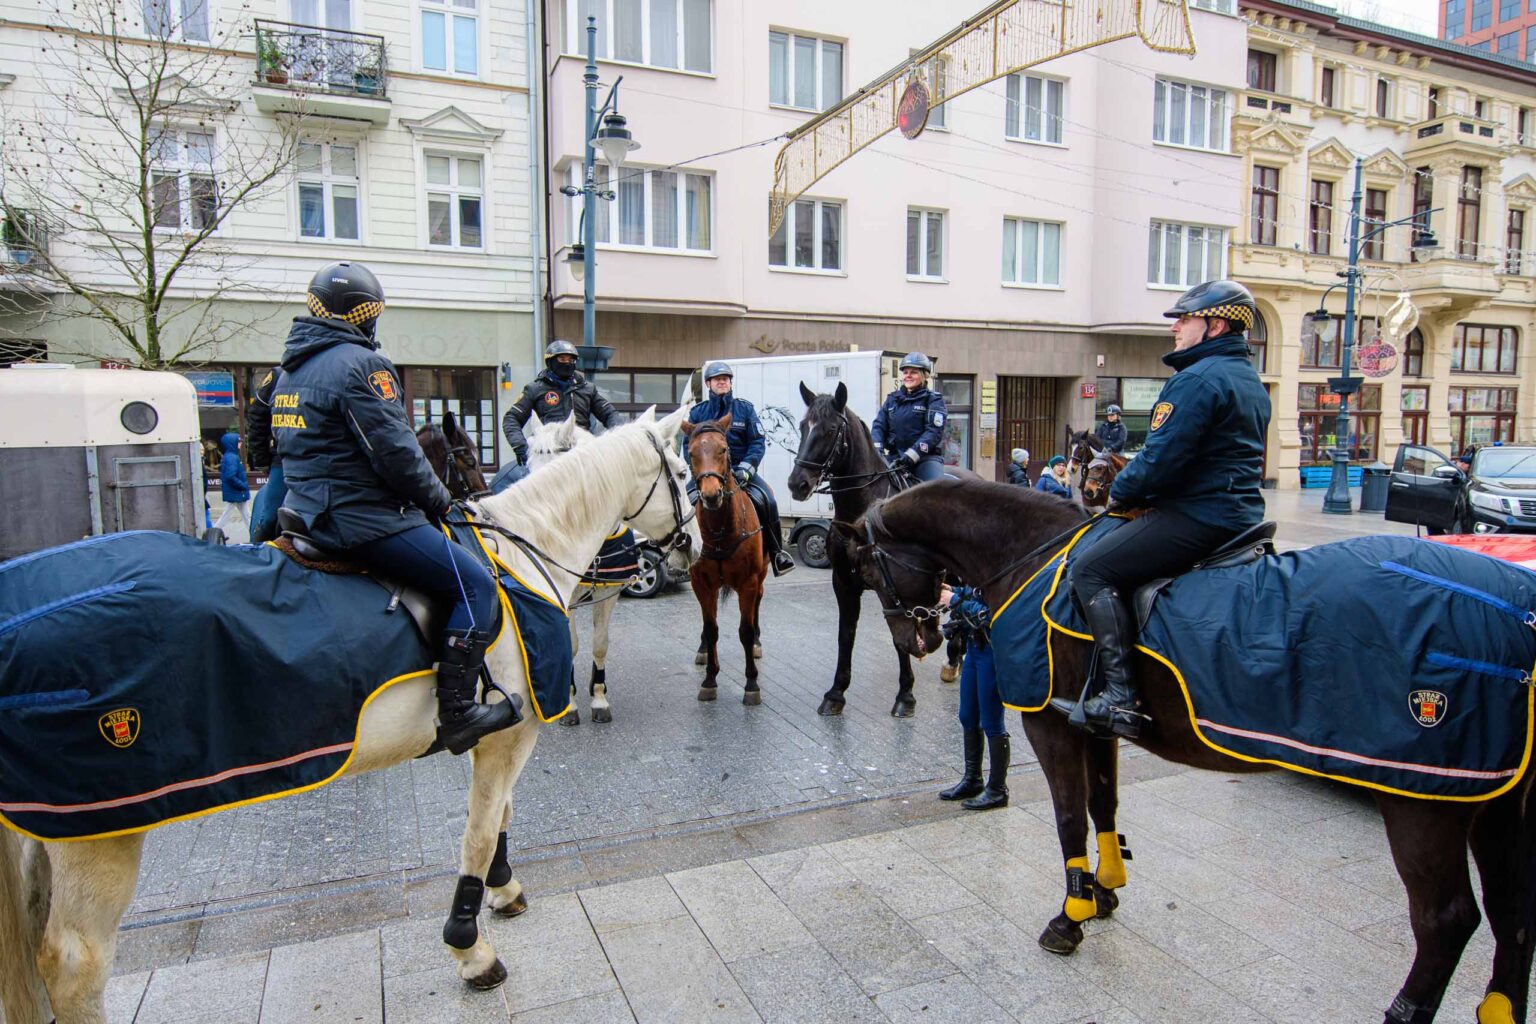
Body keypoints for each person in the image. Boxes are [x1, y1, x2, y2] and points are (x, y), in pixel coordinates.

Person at [272, 261, 517, 756]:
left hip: (302, 512)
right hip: (360, 520)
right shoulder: (362, 366)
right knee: (476, 586)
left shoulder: (288, 371)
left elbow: (266, 450)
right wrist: (441, 501)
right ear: (365, 316)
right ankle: (459, 714)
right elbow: (399, 456)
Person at [1054, 280, 1270, 739]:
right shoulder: (1246, 377)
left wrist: (1121, 489)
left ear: (1214, 326)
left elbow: (1158, 465)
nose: (1175, 329)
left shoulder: (1196, 379)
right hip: (1237, 513)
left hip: (1198, 516)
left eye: (1184, 319)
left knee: (1090, 569)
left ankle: (1120, 698)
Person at [687, 361, 796, 577]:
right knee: (683, 505)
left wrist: (746, 468)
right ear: (708, 384)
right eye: (717, 379)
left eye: (726, 379)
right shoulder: (698, 413)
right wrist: (698, 473)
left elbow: (757, 442)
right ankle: (682, 556)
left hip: (741, 471)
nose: (722, 382)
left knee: (769, 500)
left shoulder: (744, 409)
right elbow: (687, 446)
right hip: (707, 473)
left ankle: (777, 554)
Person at [498, 339, 621, 489]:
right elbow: (511, 419)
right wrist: (521, 447)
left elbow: (610, 414)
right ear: (550, 362)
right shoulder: (535, 389)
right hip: (548, 453)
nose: (567, 363)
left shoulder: (587, 389)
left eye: (571, 360)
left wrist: (615, 437)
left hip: (581, 450)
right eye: (562, 359)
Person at [936, 583, 1009, 811]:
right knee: (967, 715)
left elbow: (993, 611)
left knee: (991, 721)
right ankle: (973, 779)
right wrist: (955, 591)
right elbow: (978, 592)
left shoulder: (1002, 562)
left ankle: (998, 789)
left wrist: (954, 600)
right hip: (975, 648)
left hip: (991, 649)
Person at [872, 352, 948, 483]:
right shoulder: (892, 399)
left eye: (913, 372)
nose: (908, 376)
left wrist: (911, 455)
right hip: (894, 459)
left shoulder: (933, 400)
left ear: (925, 375)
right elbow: (879, 425)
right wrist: (877, 449)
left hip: (924, 459)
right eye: (905, 372)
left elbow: (933, 433)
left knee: (935, 495)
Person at [246, 365, 287, 543]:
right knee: (270, 517)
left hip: (331, 459)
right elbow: (257, 415)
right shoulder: (279, 375)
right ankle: (258, 550)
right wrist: (262, 460)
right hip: (285, 459)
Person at [213, 432, 251, 535]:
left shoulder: (231, 456)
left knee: (246, 515)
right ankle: (212, 532)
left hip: (236, 491)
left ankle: (254, 534)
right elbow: (230, 476)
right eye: (238, 442)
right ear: (232, 443)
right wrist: (243, 485)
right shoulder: (232, 457)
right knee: (227, 516)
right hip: (236, 491)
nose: (240, 444)